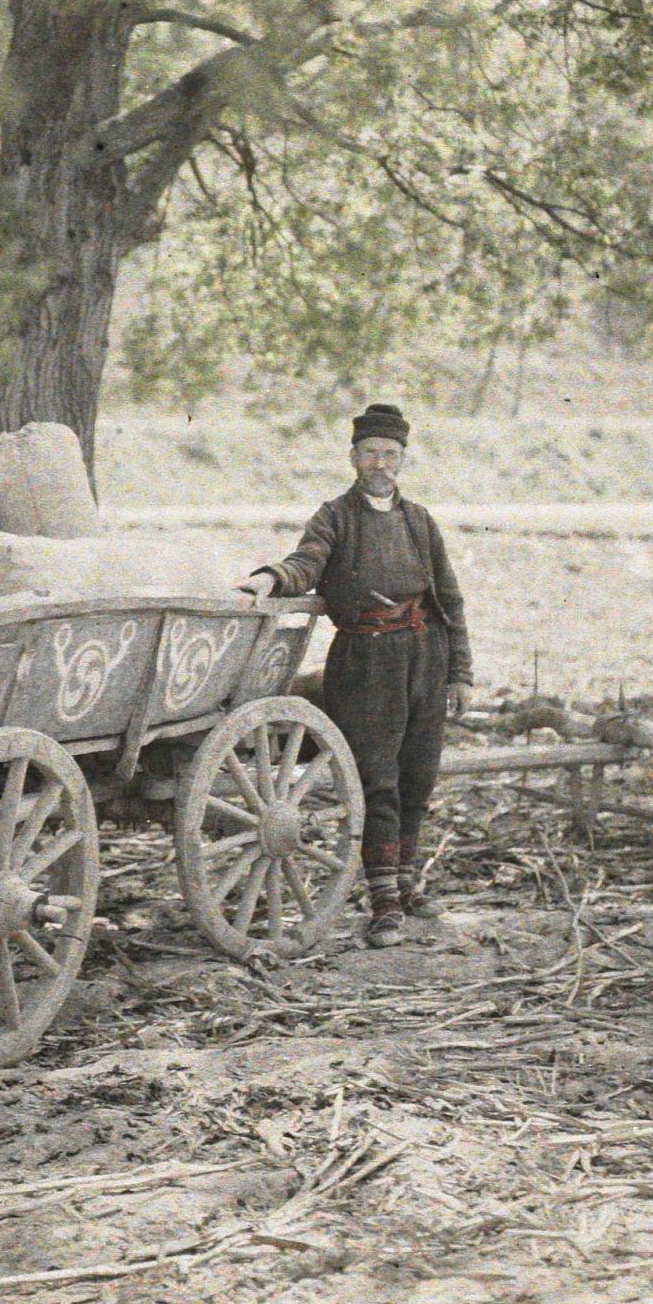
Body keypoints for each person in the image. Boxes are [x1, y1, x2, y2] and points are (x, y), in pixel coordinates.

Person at [235, 403, 475, 947]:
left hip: (425, 654)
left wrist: (459, 673)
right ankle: (383, 898)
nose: (380, 464)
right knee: (377, 778)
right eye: (371, 453)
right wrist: (271, 580)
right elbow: (307, 562)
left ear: (403, 461)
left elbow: (450, 598)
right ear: (353, 458)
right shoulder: (334, 516)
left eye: (391, 455)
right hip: (366, 662)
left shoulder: (420, 521)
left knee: (419, 774)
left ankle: (407, 883)